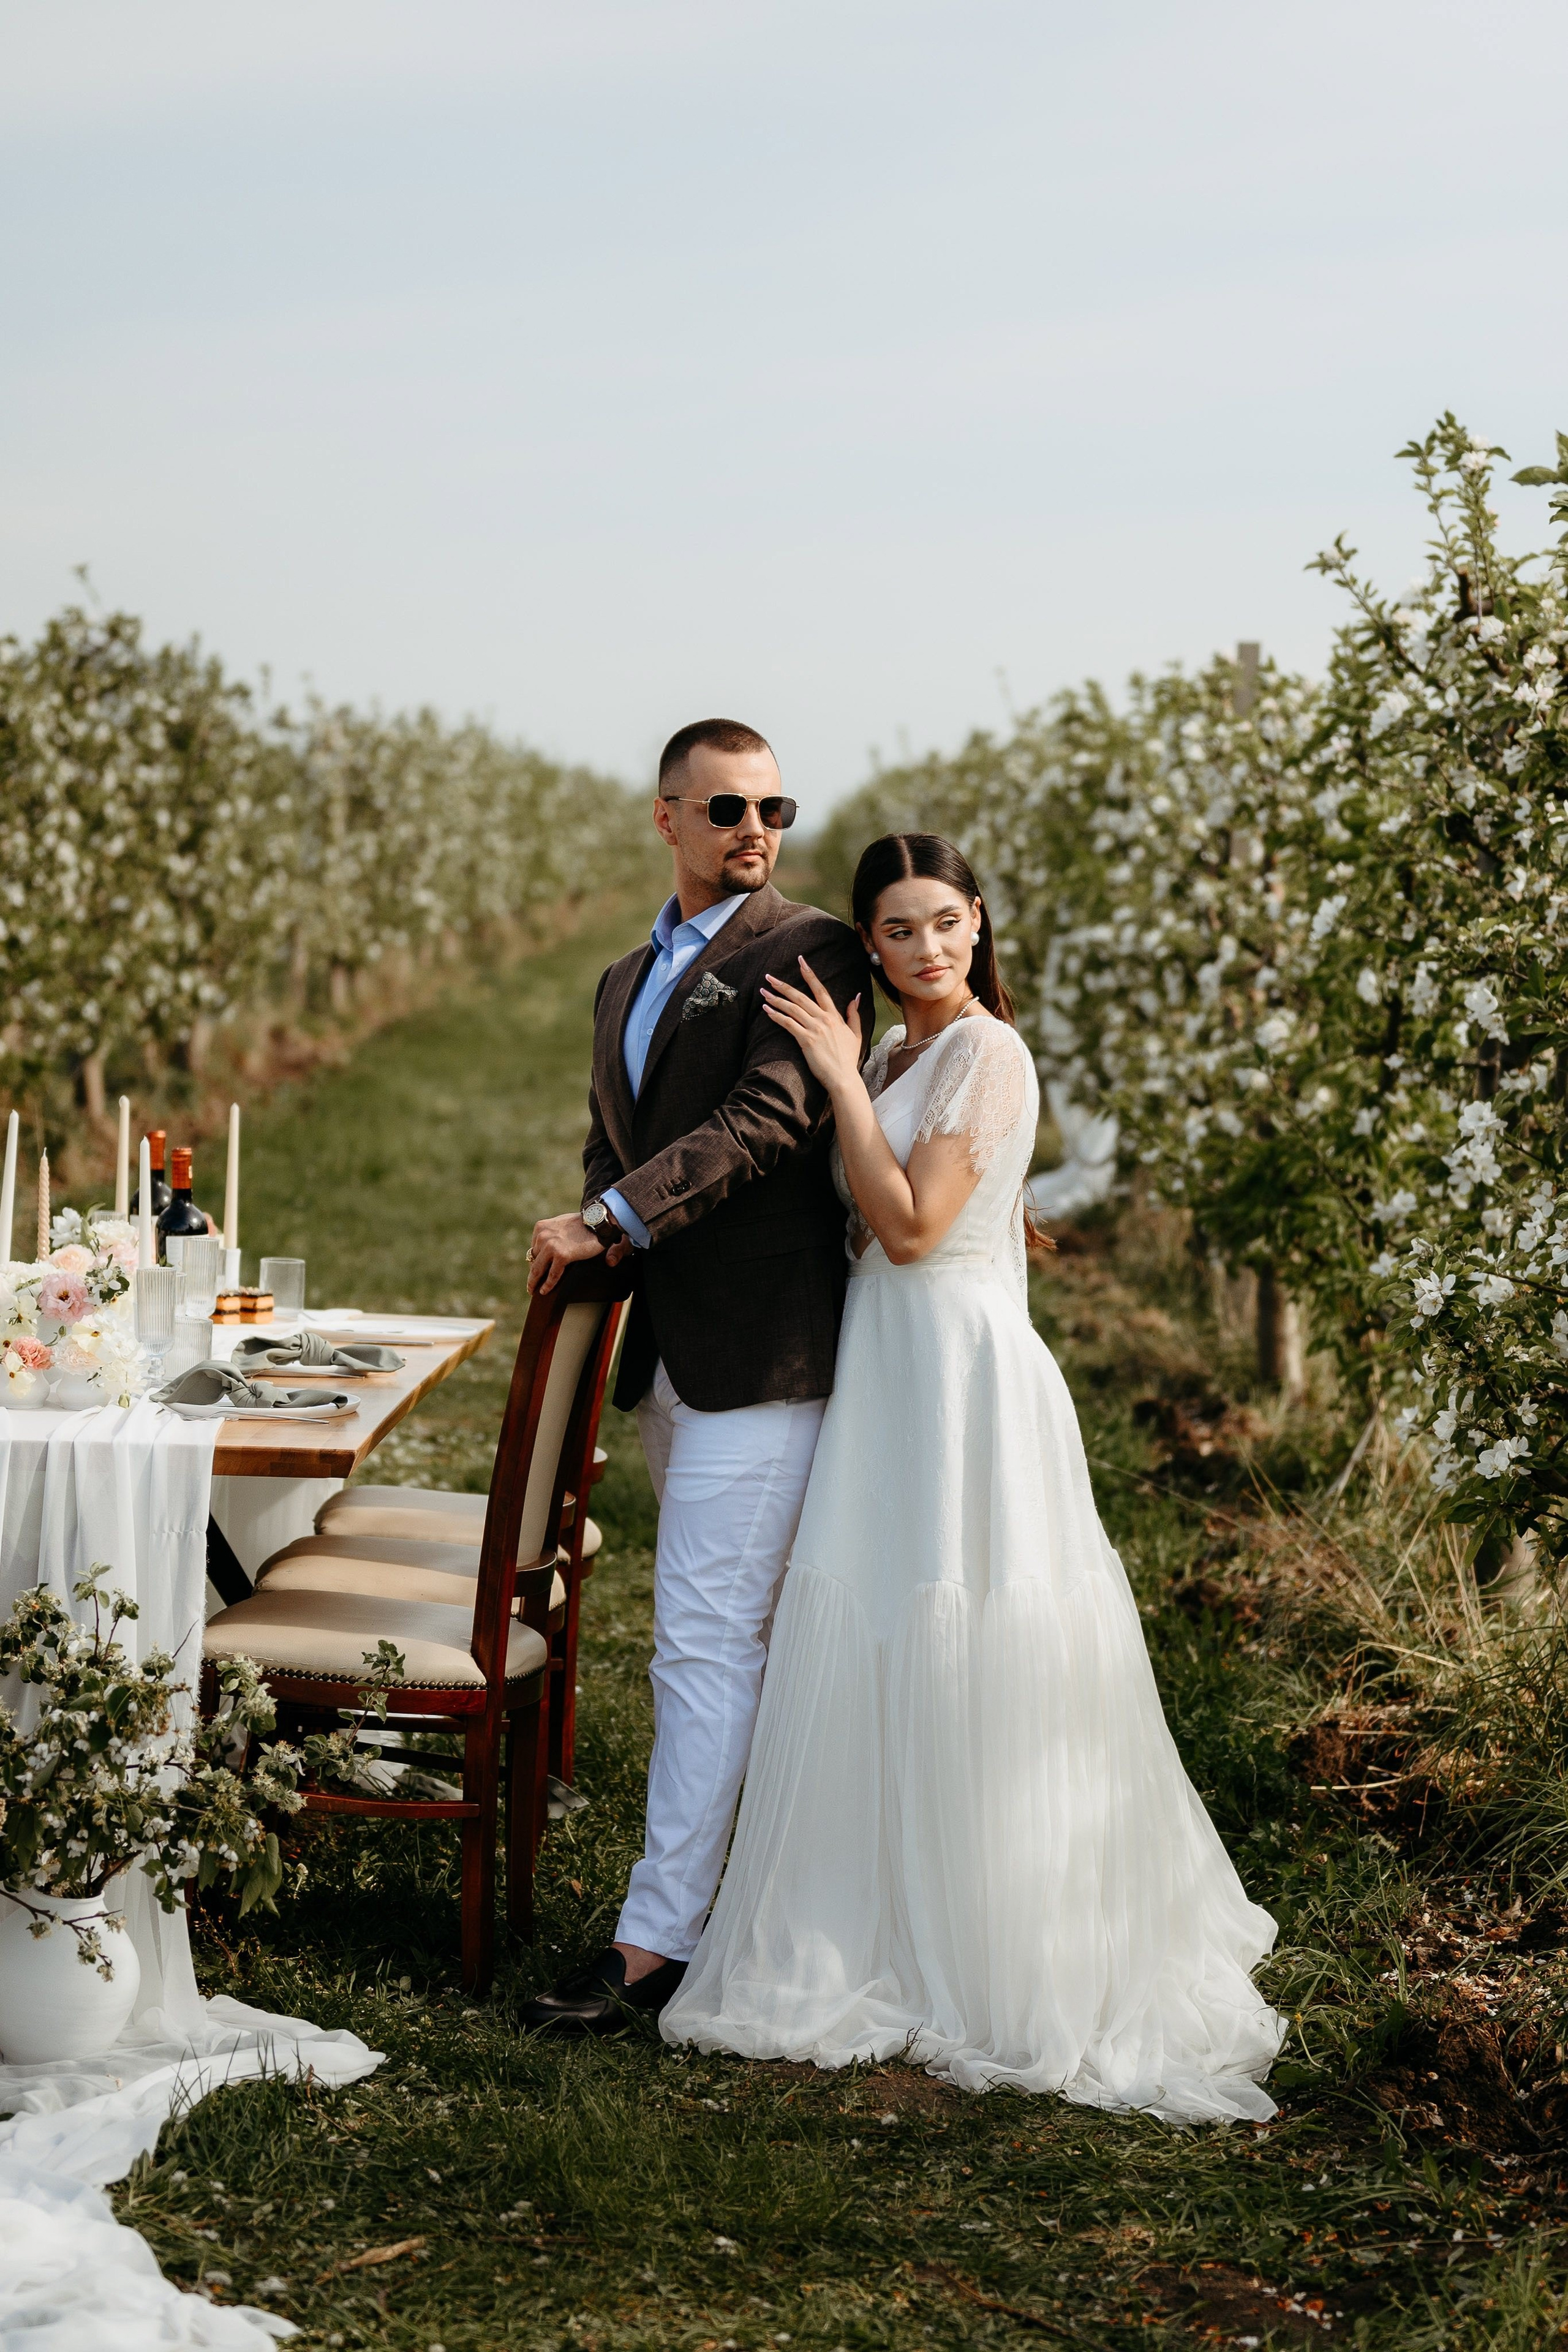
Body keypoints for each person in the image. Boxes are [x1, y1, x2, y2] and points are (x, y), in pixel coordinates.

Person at [660, 832, 1284, 2122]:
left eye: (943, 923)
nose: (926, 949)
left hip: (960, 1376)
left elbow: (909, 1227)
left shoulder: (985, 1052)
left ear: (977, 923)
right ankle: (884, 1901)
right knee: (876, 1612)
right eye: (897, 931)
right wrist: (848, 1079)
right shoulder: (899, 1054)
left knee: (970, 1616)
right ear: (869, 948)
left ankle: (1003, 1926)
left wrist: (833, 1078)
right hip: (885, 1376)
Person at [520, 717, 873, 2035]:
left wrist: (609, 1218)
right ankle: (754, 1893)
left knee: (706, 1647)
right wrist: (590, 1223)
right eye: (726, 807)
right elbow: (613, 1133)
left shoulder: (812, 949)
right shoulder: (620, 977)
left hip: (768, 1351)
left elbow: (768, 1122)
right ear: (665, 815)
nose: (755, 831)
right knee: (724, 1642)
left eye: (774, 807)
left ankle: (656, 1944)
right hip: (673, 1351)